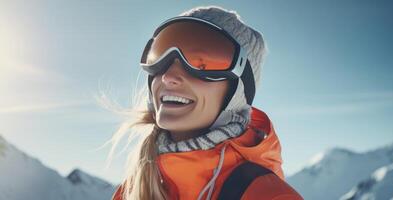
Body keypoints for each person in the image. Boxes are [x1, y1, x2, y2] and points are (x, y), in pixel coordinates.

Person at [109, 5, 303, 200]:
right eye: (162, 56)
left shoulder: (269, 195)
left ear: (237, 92)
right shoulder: (132, 190)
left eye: (202, 64)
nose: (168, 77)